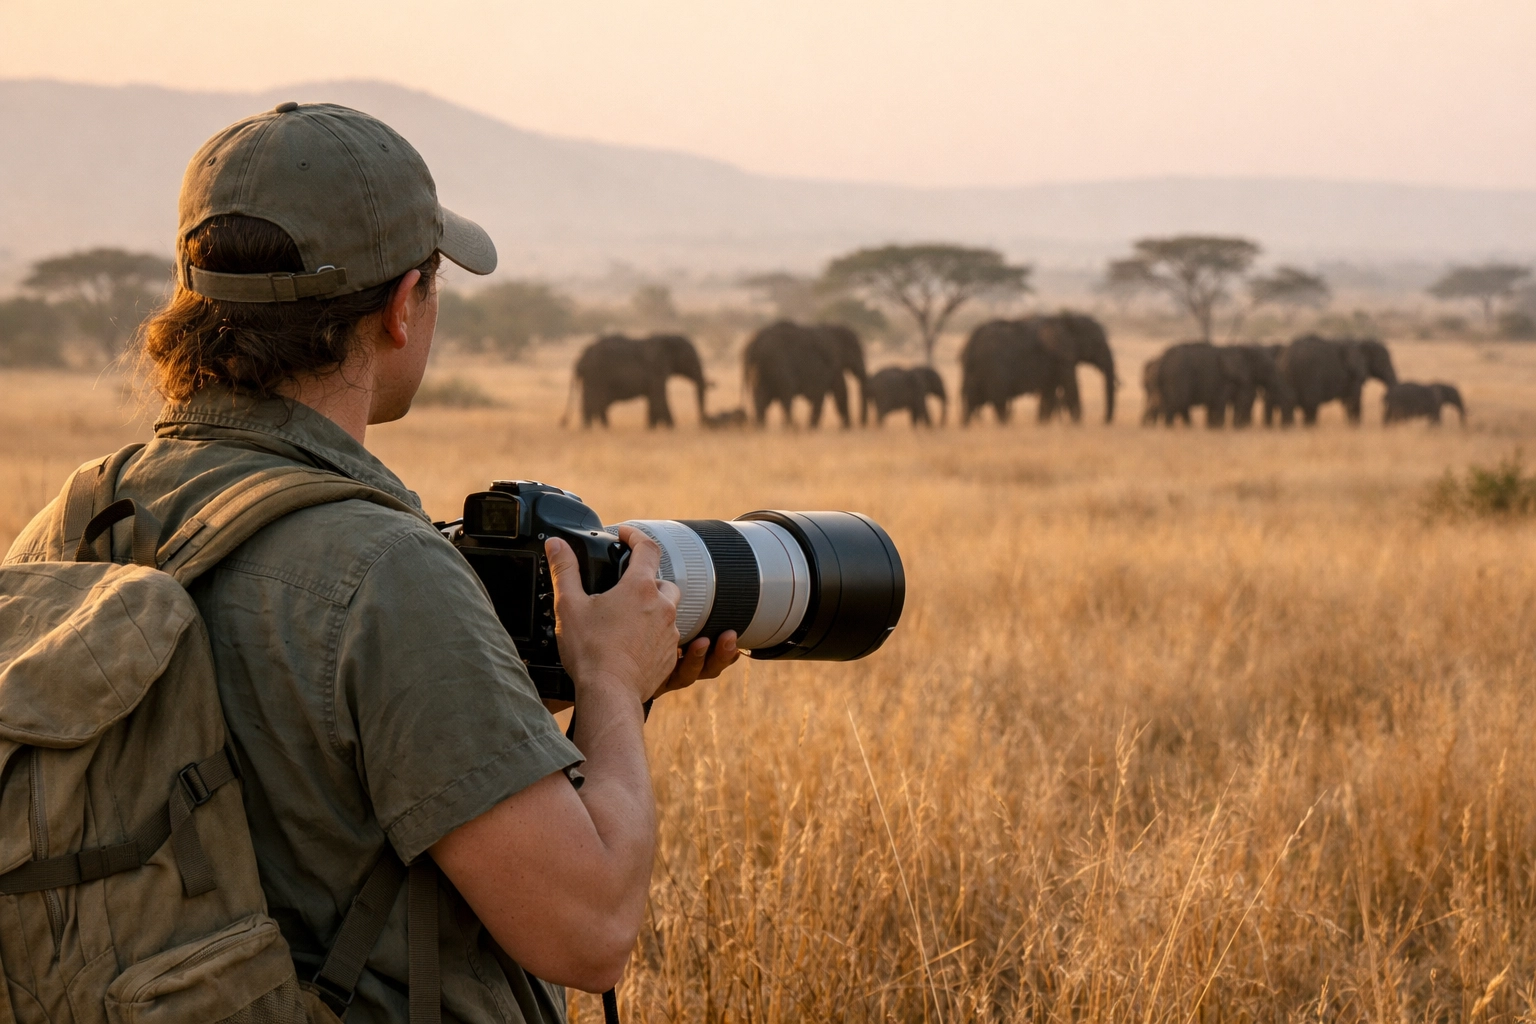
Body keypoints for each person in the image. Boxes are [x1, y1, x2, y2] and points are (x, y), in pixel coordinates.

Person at [43, 102, 738, 1022]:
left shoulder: (80, 517)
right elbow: (590, 932)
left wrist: (512, 708)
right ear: (403, 307)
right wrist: (611, 683)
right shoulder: (383, 572)